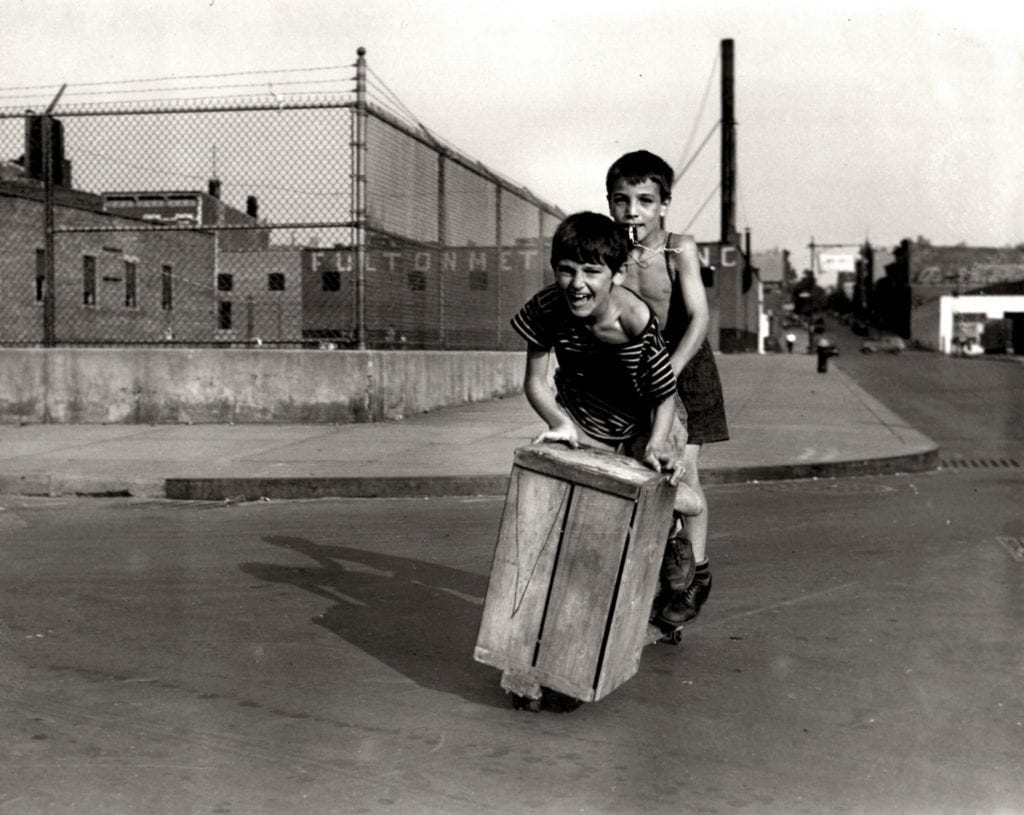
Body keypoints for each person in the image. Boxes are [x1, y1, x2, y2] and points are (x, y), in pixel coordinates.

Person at [511, 212, 703, 635]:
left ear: (616, 274)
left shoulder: (634, 320)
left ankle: (672, 528)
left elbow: (664, 393)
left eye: (591, 272)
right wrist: (560, 424)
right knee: (563, 498)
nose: (577, 283)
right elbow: (535, 382)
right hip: (582, 417)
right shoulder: (546, 308)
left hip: (644, 419)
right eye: (566, 270)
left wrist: (655, 445)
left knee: (682, 499)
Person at [605, 149, 729, 632]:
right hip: (635, 375)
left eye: (644, 200)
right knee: (642, 474)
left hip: (685, 369)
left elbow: (699, 316)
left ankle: (695, 576)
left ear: (664, 204)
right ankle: (661, 583)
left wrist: (670, 371)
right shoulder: (611, 250)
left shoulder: (680, 248)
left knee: (682, 472)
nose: (632, 211)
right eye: (621, 200)